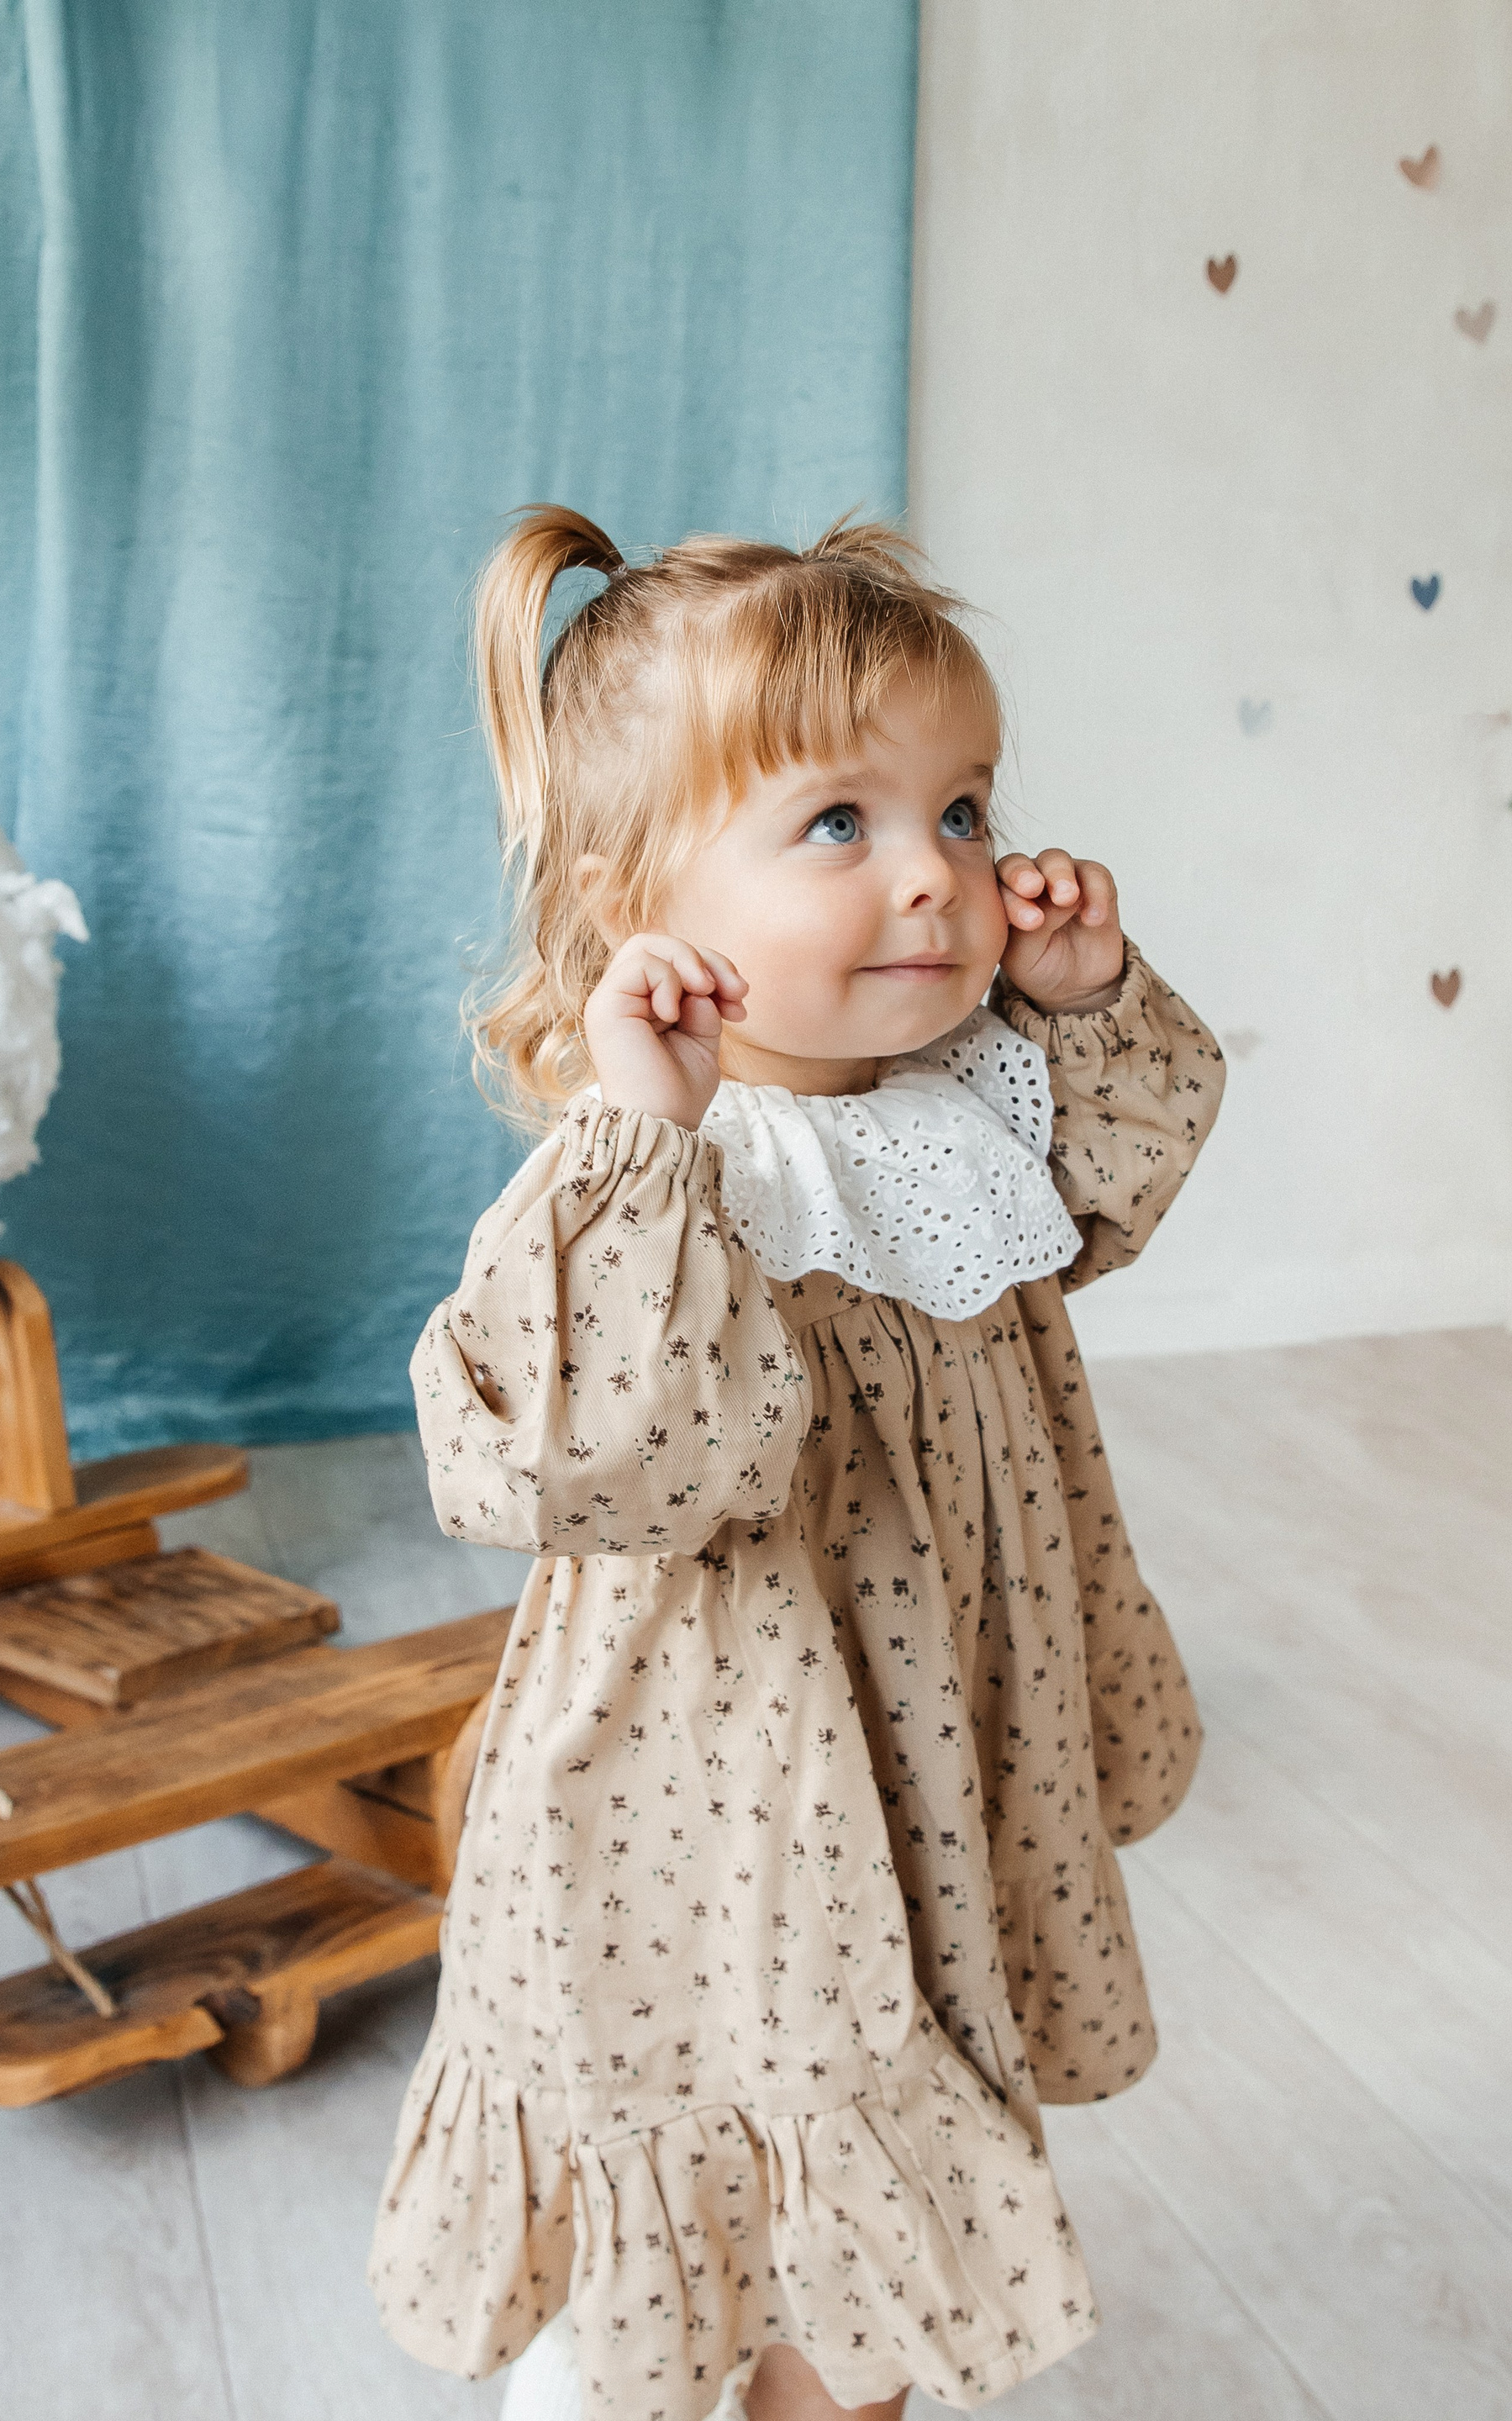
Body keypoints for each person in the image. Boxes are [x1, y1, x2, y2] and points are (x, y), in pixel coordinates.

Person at [370, 509, 1225, 2421]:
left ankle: (819, 2365)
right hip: (740, 1772)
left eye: (965, 809)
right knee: (768, 2084)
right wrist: (650, 1143)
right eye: (840, 822)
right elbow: (589, 1455)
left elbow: (1109, 1194)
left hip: (941, 1708)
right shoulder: (661, 1173)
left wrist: (1084, 1000)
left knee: (899, 2101)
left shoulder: (971, 1105)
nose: (937, 873)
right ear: (635, 907)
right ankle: (652, 2366)